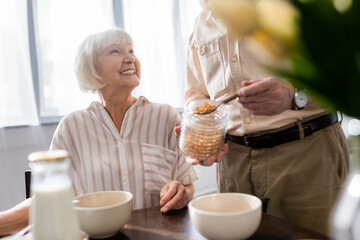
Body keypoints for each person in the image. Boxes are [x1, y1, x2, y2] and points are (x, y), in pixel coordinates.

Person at [0, 28, 199, 237]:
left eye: (131, 51)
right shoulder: (71, 127)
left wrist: (182, 193)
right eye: (115, 51)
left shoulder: (166, 117)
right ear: (92, 68)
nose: (130, 58)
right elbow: (47, 201)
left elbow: (187, 184)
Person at [184, 0, 349, 235]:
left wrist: (292, 97)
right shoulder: (201, 23)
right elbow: (197, 93)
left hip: (306, 158)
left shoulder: (301, 6)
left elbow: (343, 80)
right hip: (233, 167)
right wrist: (202, 128)